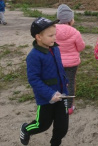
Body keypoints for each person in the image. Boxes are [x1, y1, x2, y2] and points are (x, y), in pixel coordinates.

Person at [20, 17, 69, 146]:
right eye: (51, 35)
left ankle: (55, 143)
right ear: (38, 37)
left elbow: (60, 67)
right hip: (46, 98)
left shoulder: (55, 49)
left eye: (55, 34)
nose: (54, 38)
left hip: (62, 94)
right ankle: (26, 129)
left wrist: (65, 81)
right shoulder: (34, 56)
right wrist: (50, 94)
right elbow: (34, 79)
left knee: (62, 126)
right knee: (42, 124)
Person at [56, 4, 85, 115]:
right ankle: (69, 107)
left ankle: (58, 104)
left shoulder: (52, 30)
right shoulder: (75, 32)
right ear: (70, 19)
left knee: (57, 82)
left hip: (57, 63)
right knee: (70, 83)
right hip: (72, 64)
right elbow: (81, 47)